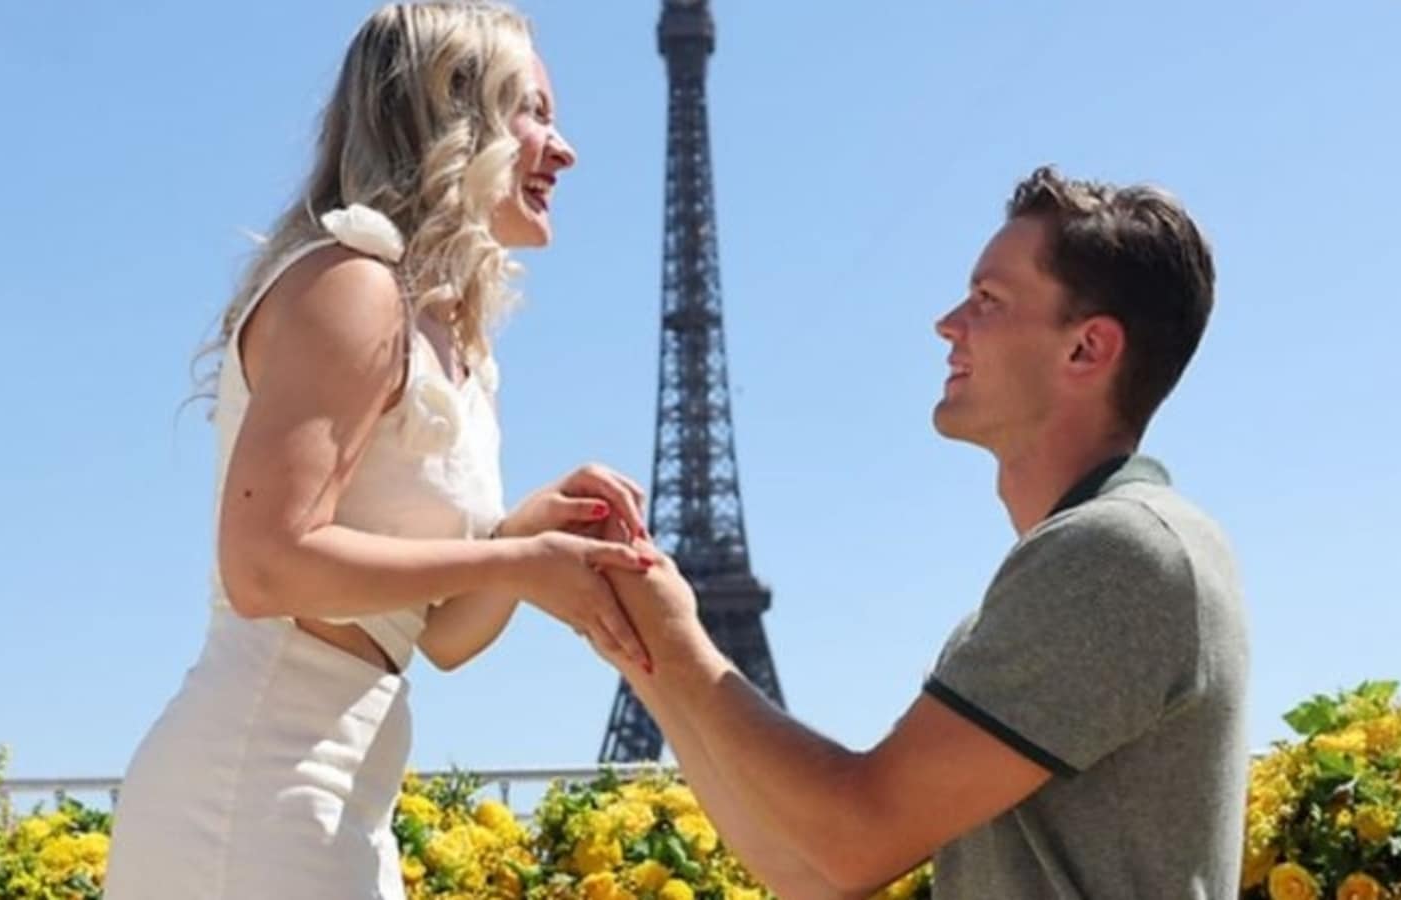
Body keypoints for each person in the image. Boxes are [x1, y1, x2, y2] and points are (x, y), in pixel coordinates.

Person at [103, 4, 656, 897]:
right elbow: (267, 567)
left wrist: (521, 543)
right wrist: (520, 556)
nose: (564, 148)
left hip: (338, 797)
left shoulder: (451, 340)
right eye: (535, 110)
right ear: (451, 114)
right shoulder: (352, 285)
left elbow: (438, 641)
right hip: (251, 799)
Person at [591, 167, 1248, 899]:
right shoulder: (1103, 555)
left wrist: (674, 634)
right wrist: (637, 638)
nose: (947, 322)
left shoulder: (1120, 554)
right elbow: (811, 872)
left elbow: (853, 839)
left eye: (987, 300)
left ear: (1085, 349)